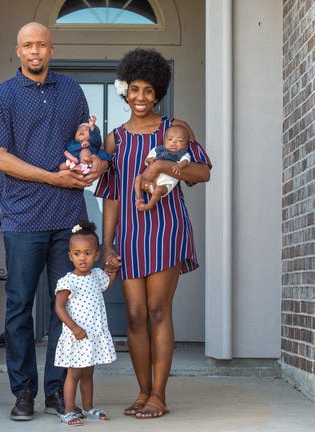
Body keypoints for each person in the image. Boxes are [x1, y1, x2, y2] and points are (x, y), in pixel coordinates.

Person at [0, 22, 109, 422]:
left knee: (65, 308)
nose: (35, 51)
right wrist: (52, 177)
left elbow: (88, 142)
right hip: (23, 217)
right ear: (18, 51)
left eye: (41, 44)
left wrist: (95, 161)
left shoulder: (71, 90)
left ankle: (57, 390)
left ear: (51, 49)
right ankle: (23, 393)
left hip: (70, 219)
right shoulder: (0, 97)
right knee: (19, 307)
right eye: (27, 45)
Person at [94, 48, 212, 419]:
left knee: (159, 310)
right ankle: (142, 392)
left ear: (158, 93)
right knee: (133, 315)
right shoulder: (115, 139)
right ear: (125, 91)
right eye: (135, 89)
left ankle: (160, 394)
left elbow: (202, 172)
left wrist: (163, 163)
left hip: (165, 228)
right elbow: (112, 198)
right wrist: (107, 244)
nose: (141, 97)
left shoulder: (175, 130)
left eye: (149, 90)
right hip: (129, 235)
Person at [54, 220, 118, 426]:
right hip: (77, 335)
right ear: (70, 255)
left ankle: (89, 407)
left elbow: (107, 283)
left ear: (96, 255)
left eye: (88, 253)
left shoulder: (97, 275)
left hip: (92, 335)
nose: (83, 258)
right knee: (73, 374)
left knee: (88, 373)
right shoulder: (67, 281)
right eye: (77, 253)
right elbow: (59, 307)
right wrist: (74, 328)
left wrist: (113, 270)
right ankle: (68, 411)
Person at [134, 124, 192, 211]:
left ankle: (149, 205)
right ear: (164, 141)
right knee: (138, 178)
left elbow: (186, 161)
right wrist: (150, 160)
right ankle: (139, 197)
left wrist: (180, 165)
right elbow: (147, 160)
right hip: (147, 181)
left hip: (164, 184)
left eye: (179, 141)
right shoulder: (157, 150)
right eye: (170, 139)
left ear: (186, 146)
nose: (174, 142)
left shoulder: (182, 154)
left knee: (158, 190)